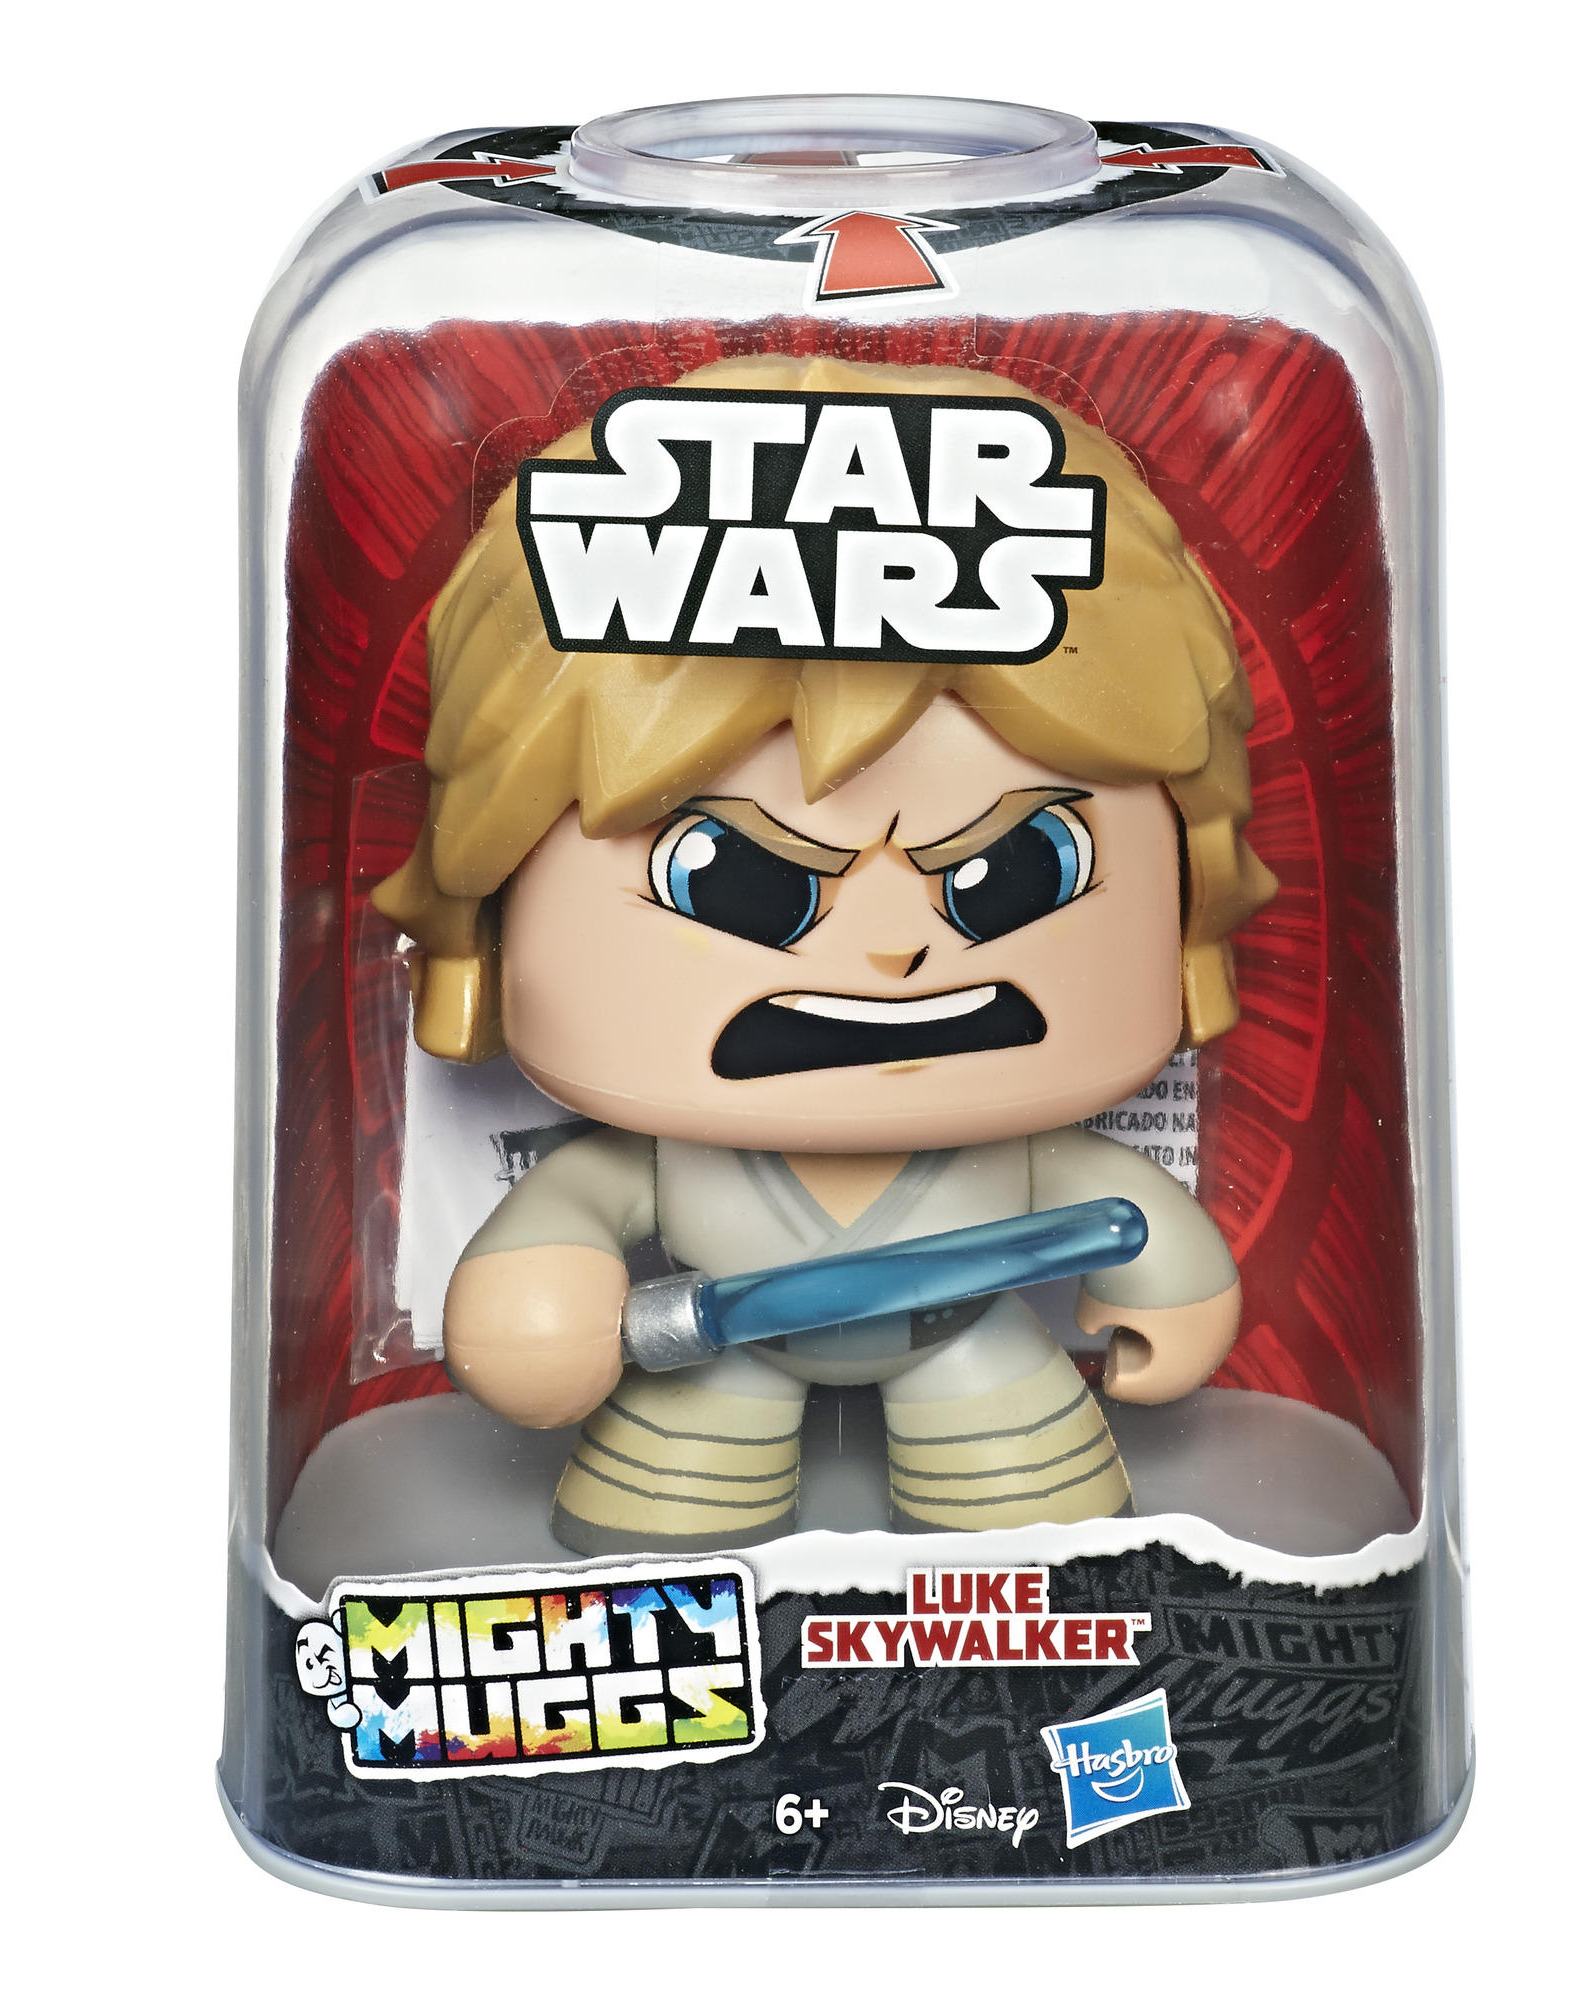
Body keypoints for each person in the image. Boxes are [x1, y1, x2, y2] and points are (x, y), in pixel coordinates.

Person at [375, 352, 1274, 1556]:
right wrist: (539, 1299)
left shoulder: (1017, 1146)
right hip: (711, 1360)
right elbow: (571, 1213)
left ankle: (1025, 1596)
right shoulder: (664, 1159)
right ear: (489, 915)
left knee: (1036, 1551)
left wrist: (1172, 1285)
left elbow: (1124, 1213)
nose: (895, 950)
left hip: (970, 1348)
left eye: (1017, 870)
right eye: (738, 880)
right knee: (662, 1545)